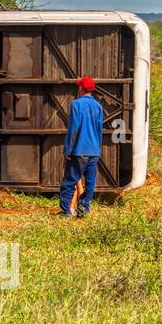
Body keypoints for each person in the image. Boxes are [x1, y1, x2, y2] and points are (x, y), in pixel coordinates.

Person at [59, 76, 104, 218]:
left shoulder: (77, 104)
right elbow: (99, 130)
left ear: (81, 88)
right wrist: (97, 149)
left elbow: (74, 129)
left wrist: (68, 149)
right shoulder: (98, 106)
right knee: (90, 182)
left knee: (69, 181)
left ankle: (66, 211)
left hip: (79, 150)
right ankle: (83, 210)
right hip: (93, 151)